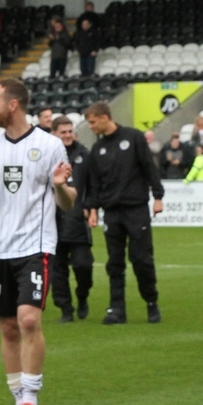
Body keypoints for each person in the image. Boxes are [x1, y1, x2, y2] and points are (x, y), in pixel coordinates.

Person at [0, 79, 76, 405]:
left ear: (13, 104)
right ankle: (17, 400)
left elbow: (68, 202)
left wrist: (60, 186)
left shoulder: (49, 145)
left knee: (29, 320)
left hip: (35, 246)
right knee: (8, 326)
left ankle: (30, 400)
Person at [83, 100, 164, 324]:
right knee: (114, 262)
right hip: (112, 213)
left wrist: (158, 196)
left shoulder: (133, 137)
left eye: (92, 122)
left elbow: (149, 167)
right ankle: (117, 309)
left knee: (141, 259)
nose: (90, 127)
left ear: (104, 118)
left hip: (136, 209)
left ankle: (151, 302)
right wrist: (92, 209)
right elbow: (96, 184)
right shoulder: (97, 149)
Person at [49, 116, 94, 322]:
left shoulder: (84, 155)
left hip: (77, 219)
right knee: (57, 270)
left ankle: (82, 296)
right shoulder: (46, 156)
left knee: (83, 265)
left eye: (69, 131)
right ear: (54, 134)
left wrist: (90, 207)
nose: (67, 135)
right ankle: (65, 309)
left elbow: (94, 185)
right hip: (52, 220)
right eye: (62, 132)